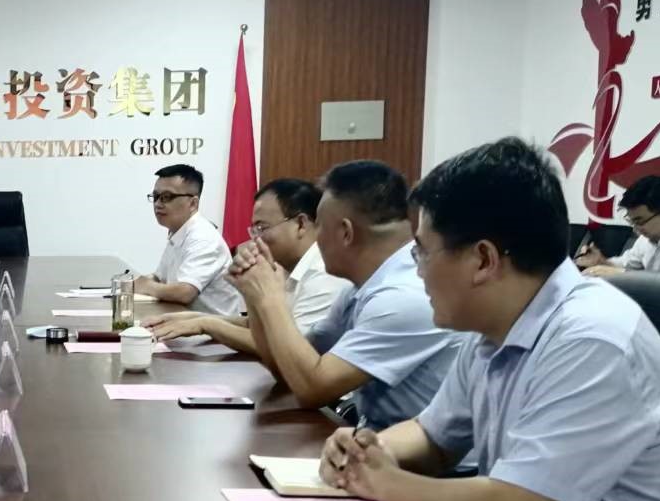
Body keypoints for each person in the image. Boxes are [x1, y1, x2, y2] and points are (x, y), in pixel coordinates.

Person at [321, 137, 660, 501]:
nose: (418, 273)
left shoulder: (593, 336)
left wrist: (382, 482)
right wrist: (368, 450)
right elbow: (433, 437)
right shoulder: (493, 330)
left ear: (483, 260)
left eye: (423, 253)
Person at [232, 160, 458, 428]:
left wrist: (270, 297)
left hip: (422, 452)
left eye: (319, 227)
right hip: (376, 438)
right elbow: (288, 368)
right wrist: (254, 296)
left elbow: (312, 389)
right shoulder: (361, 288)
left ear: (346, 233)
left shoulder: (402, 296)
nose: (315, 240)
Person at [148, 177, 347, 352]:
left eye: (262, 227)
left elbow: (291, 349)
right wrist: (194, 319)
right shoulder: (286, 267)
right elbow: (257, 325)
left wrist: (206, 325)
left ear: (301, 224)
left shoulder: (324, 273)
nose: (255, 239)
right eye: (254, 229)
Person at [133, 163, 242, 314]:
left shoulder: (203, 238)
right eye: (156, 197)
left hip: (212, 327)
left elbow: (185, 292)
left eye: (166, 197)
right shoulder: (179, 231)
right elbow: (159, 278)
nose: (158, 204)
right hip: (184, 321)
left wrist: (146, 286)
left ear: (193, 203)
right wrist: (132, 283)